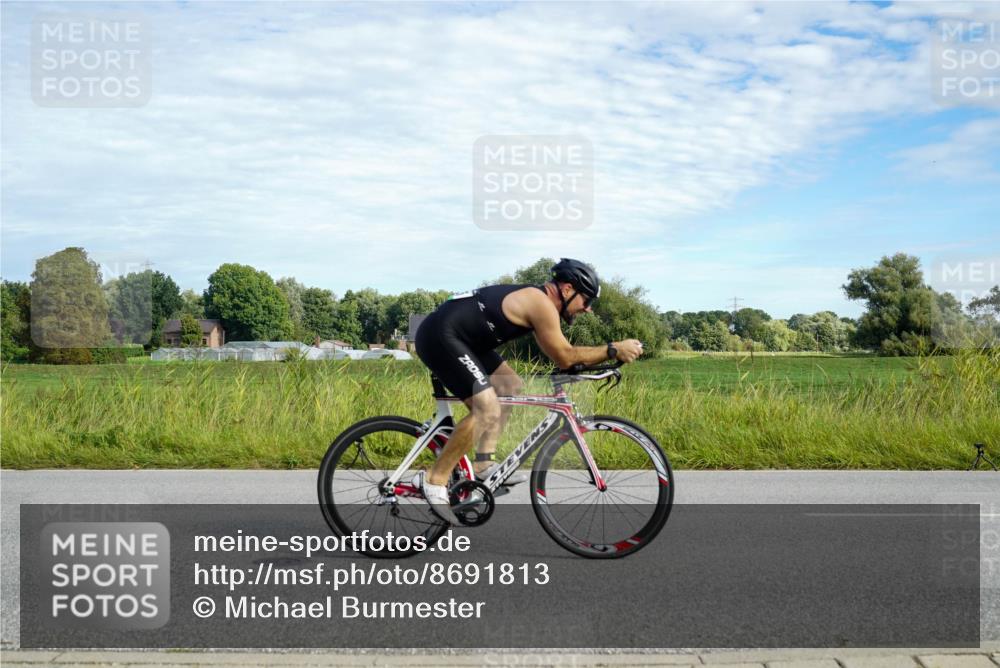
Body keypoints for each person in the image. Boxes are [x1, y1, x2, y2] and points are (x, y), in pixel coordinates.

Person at [413, 258, 644, 523]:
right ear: (567, 289)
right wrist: (613, 349)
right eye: (587, 300)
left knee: (509, 385)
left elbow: (562, 357)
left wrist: (594, 361)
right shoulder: (540, 303)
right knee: (486, 408)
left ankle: (483, 464)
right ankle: (434, 479)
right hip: (441, 336)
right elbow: (565, 356)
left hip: (464, 339)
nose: (588, 309)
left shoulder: (539, 302)